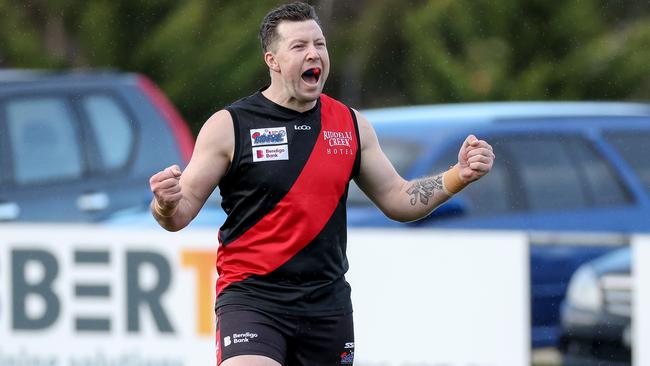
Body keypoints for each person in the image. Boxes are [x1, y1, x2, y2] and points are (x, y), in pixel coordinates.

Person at [149, 2, 495, 365]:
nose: (314, 53)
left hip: (327, 307)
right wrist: (165, 203)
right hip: (253, 299)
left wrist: (459, 175)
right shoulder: (229, 126)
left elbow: (398, 198)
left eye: (320, 44)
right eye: (299, 46)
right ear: (273, 60)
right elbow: (177, 214)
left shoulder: (350, 124)